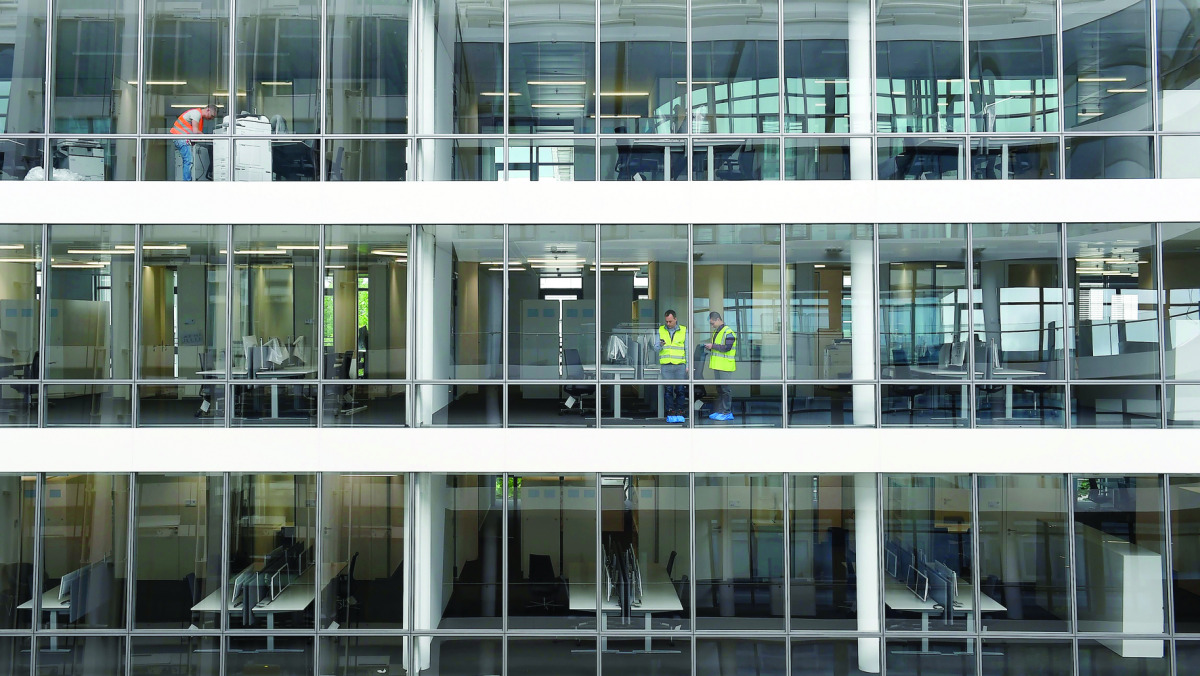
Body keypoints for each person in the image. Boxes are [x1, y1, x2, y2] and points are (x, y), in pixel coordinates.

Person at [651, 310, 687, 423]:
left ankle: (680, 411)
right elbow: (656, 349)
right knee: (668, 390)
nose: (668, 323)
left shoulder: (684, 330)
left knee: (680, 390)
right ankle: (670, 411)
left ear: (675, 319)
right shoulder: (661, 330)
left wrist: (688, 365)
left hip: (680, 365)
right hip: (666, 365)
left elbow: (688, 349)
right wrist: (660, 345)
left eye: (670, 321)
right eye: (666, 321)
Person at [704, 311, 737, 420]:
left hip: (725, 366)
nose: (712, 325)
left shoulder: (728, 332)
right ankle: (721, 411)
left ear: (718, 319)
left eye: (712, 323)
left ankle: (726, 412)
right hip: (718, 366)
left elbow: (727, 348)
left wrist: (712, 346)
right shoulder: (717, 332)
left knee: (725, 389)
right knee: (720, 389)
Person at [170, 105, 216, 181]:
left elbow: (193, 132)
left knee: (188, 160)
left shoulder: (199, 117)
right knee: (188, 160)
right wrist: (207, 137)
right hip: (181, 138)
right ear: (208, 110)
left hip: (181, 138)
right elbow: (195, 132)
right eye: (212, 116)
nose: (211, 119)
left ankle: (187, 180)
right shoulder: (196, 114)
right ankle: (187, 181)